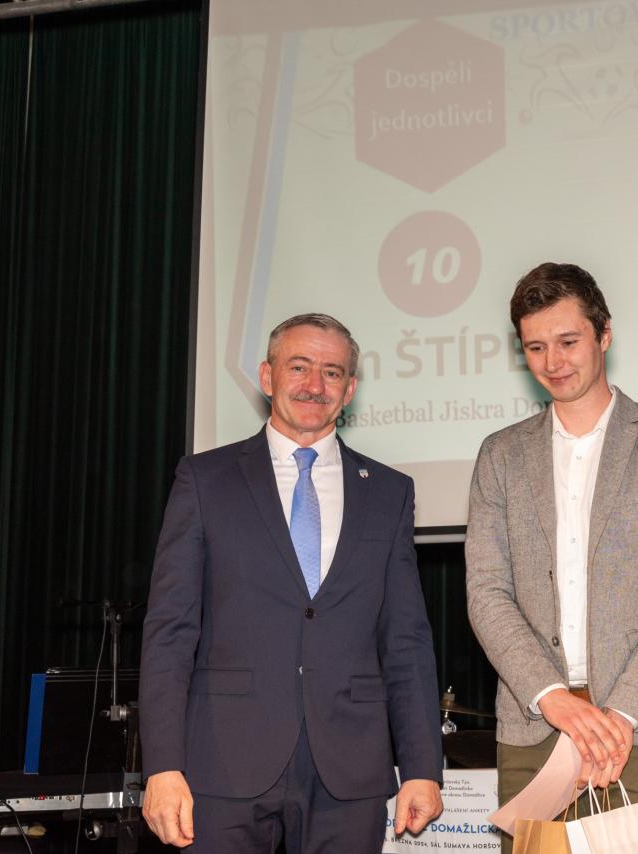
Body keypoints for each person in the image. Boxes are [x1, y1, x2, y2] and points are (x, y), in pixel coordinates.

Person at [139, 313, 444, 852]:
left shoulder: (389, 491)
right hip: (222, 762)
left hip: (349, 768)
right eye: (299, 367)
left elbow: (406, 639)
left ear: (350, 389)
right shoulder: (205, 479)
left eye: (332, 372)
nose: (314, 385)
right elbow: (170, 630)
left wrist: (422, 766)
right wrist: (162, 766)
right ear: (267, 376)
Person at [465, 262, 638, 852]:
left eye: (568, 341)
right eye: (536, 347)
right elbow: (486, 593)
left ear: (604, 334)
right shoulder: (500, 455)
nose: (553, 362)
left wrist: (620, 715)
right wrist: (554, 700)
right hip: (534, 733)